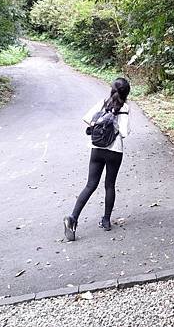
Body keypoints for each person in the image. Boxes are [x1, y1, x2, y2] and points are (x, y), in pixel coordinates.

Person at [63, 77, 131, 241]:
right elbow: (124, 132)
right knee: (109, 185)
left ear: (112, 89)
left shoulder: (102, 103)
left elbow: (87, 118)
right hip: (114, 150)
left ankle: (73, 218)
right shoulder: (125, 107)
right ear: (126, 92)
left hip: (96, 149)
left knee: (90, 185)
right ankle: (106, 221)